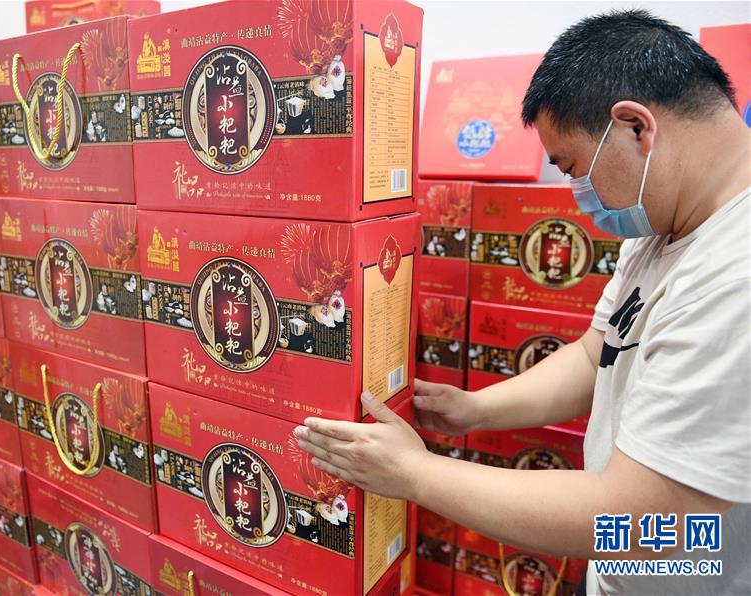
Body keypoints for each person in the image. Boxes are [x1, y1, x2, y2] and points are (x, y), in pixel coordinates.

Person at [296, 10, 749, 595]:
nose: (578, 192)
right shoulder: (668, 226)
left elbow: (643, 519)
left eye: (574, 168)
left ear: (636, 127)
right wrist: (475, 410)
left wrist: (417, 474)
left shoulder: (734, 274)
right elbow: (597, 356)